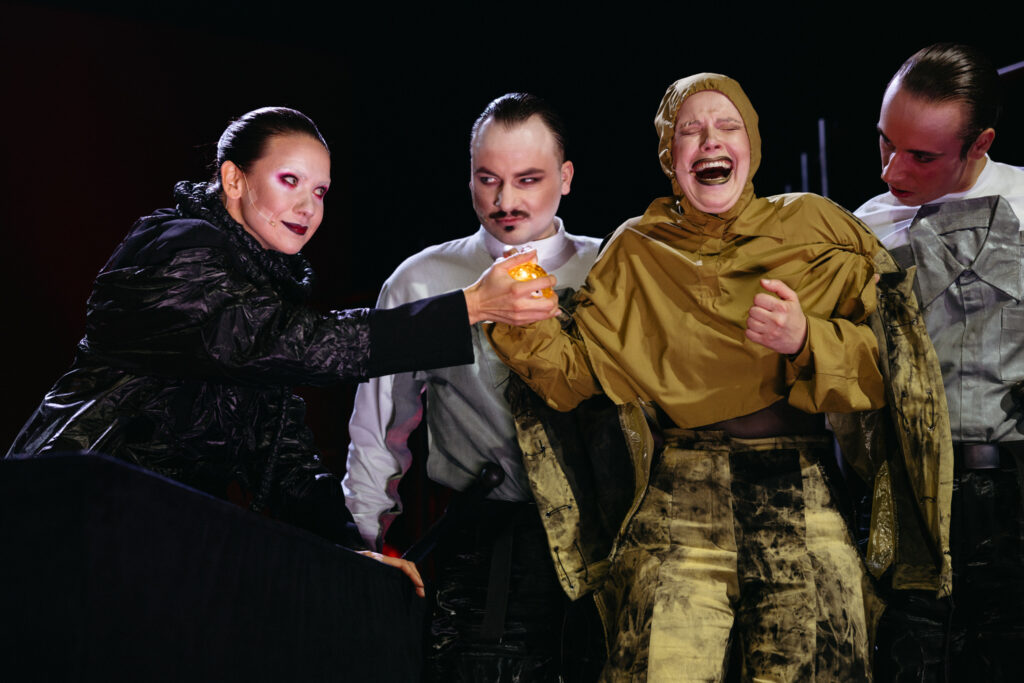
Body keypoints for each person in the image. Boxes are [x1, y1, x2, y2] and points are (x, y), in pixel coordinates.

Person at [6, 106, 558, 594]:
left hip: (155, 547)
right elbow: (293, 342)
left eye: (319, 191)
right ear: (233, 179)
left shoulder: (262, 286)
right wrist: (466, 307)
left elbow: (285, 458)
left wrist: (354, 553)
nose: (307, 206)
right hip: (68, 527)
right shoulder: (176, 252)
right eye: (289, 180)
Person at [487, 73, 906, 681]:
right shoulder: (637, 250)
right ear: (669, 154)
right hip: (680, 493)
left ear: (751, 142)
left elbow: (892, 364)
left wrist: (806, 338)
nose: (711, 140)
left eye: (727, 125)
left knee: (822, 661)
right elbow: (575, 378)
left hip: (802, 484)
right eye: (690, 130)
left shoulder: (816, 229)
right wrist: (519, 316)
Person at [343, 93, 602, 680]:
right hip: (486, 549)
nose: (505, 201)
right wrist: (362, 546)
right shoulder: (422, 280)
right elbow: (378, 432)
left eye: (528, 180)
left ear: (565, 178)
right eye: (488, 180)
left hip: (606, 542)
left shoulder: (610, 269)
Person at [855, 43, 1024, 681]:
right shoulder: (863, 232)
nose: (891, 170)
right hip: (905, 503)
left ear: (979, 144)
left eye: (921, 156)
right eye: (885, 142)